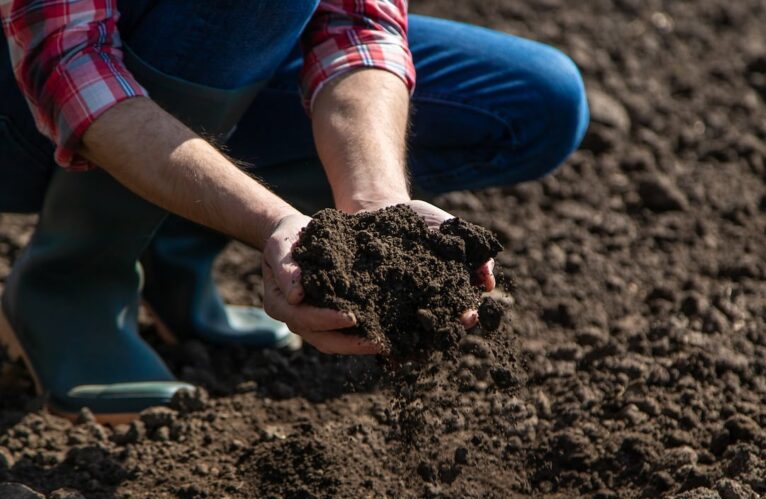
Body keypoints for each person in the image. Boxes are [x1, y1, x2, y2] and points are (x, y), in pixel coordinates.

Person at [0, 0, 588, 423]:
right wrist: (271, 223)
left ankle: (172, 245)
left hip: (177, 57)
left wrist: (378, 207)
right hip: (27, 97)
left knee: (536, 102)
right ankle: (74, 281)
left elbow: (357, 27)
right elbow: (68, 60)